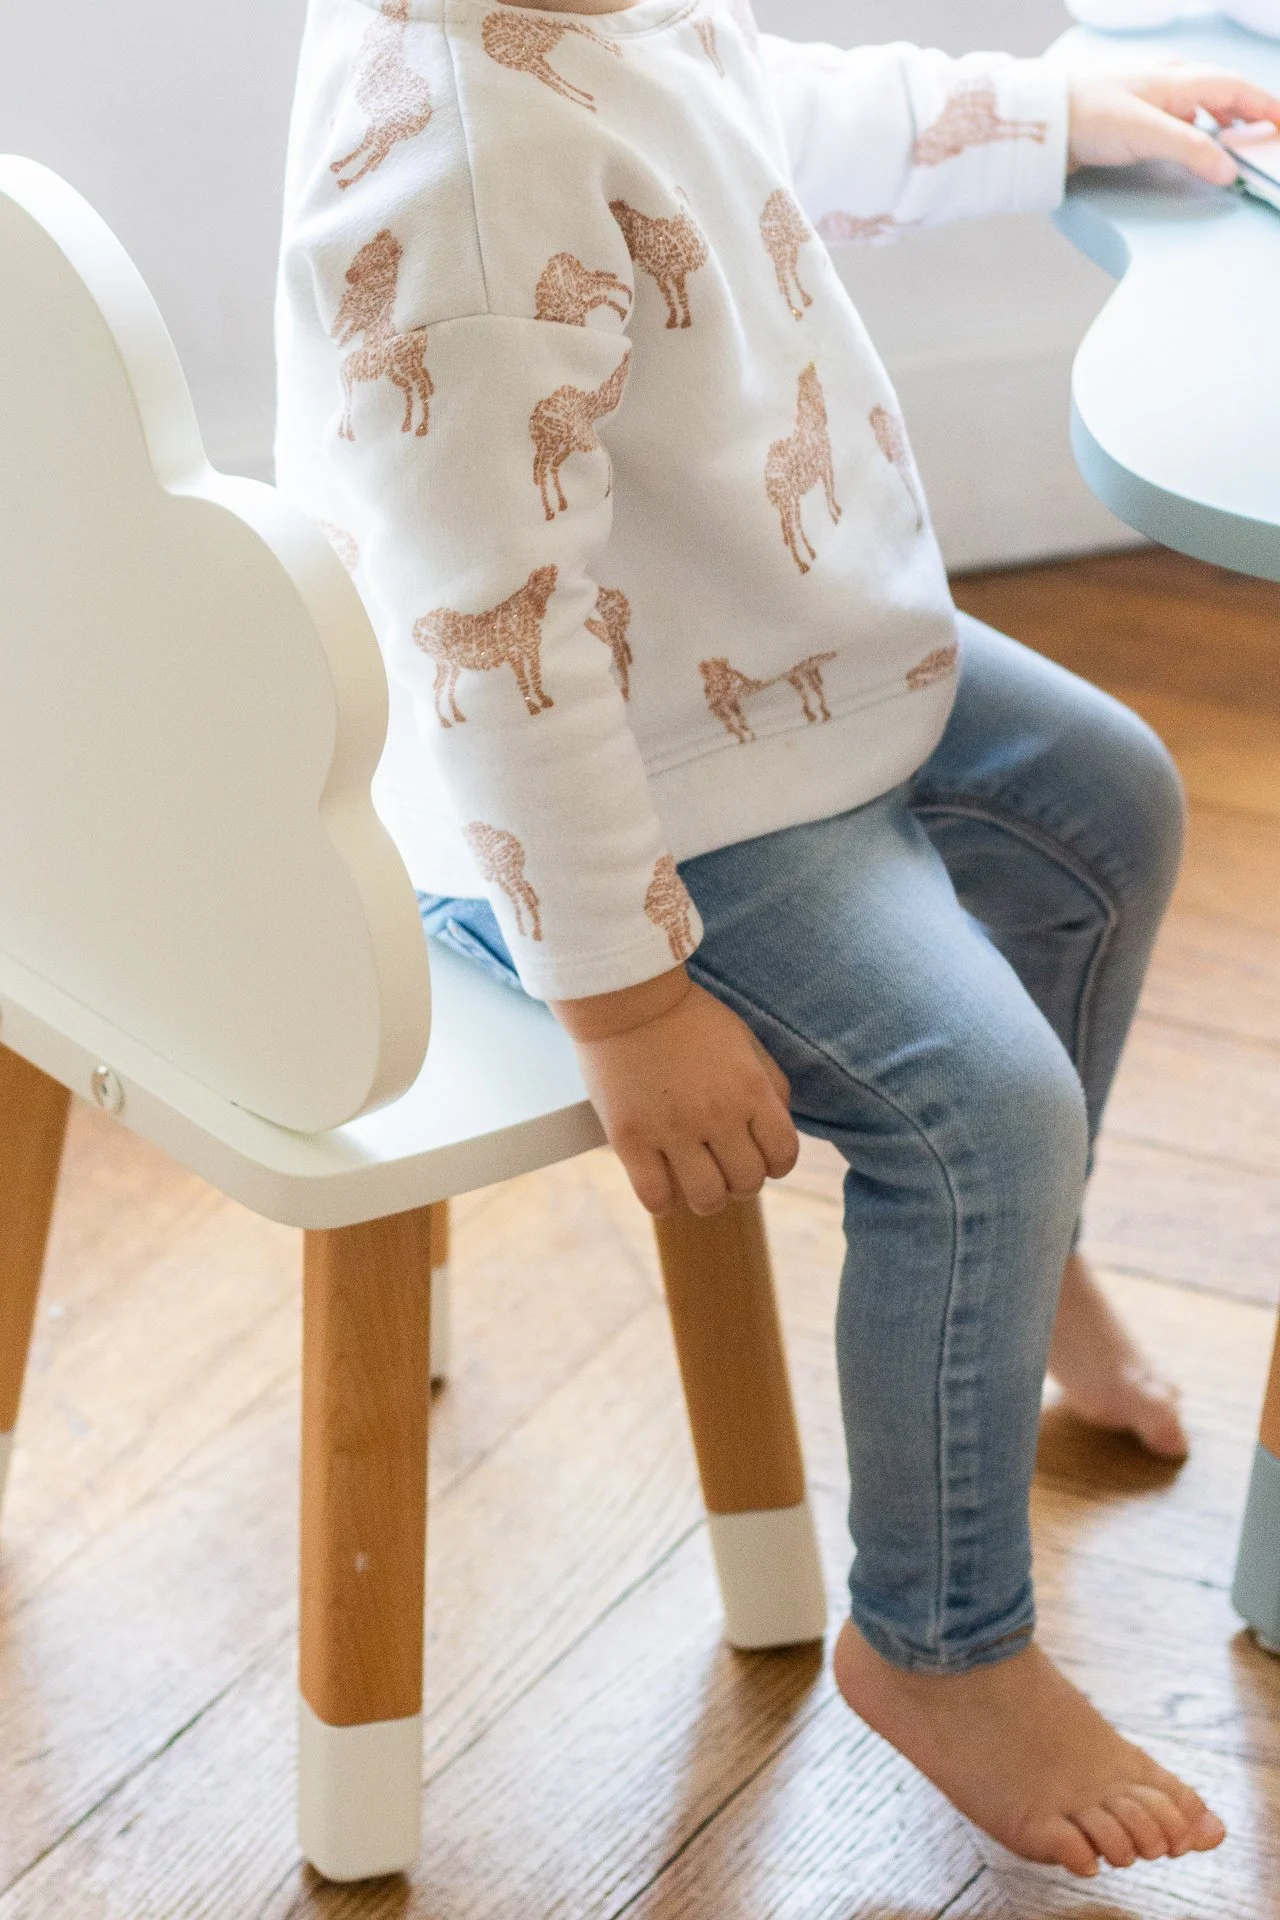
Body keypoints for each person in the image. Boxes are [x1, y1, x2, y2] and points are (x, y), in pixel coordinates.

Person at [275, 0, 1280, 1876]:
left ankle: (1013, 1252)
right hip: (585, 802)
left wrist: (1045, 112)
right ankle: (939, 1646)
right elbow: (493, 656)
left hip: (763, 661)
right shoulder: (463, 172)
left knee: (1106, 806)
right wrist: (628, 1000)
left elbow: (755, 105)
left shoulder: (599, 16)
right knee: (982, 1111)